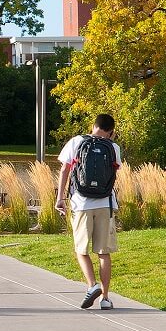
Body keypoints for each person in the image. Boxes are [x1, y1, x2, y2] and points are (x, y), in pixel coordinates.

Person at [55, 113, 121, 310]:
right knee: (103, 252)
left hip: (81, 203)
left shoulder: (76, 142)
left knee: (81, 250)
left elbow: (65, 170)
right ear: (112, 132)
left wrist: (60, 198)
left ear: (92, 125)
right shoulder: (114, 147)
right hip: (105, 203)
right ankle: (106, 298)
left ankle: (92, 286)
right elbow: (112, 175)